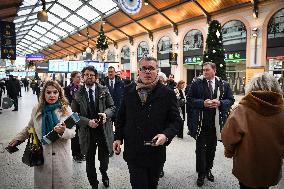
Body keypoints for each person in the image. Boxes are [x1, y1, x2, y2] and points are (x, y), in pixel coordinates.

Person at [113, 57, 182, 189]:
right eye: (144, 68)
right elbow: (121, 117)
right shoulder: (129, 90)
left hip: (155, 150)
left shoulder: (167, 93)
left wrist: (165, 135)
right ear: (139, 71)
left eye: (151, 68)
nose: (147, 72)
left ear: (157, 71)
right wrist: (118, 138)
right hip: (134, 150)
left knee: (151, 185)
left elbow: (176, 121)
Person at [8, 80, 76, 189]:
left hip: (61, 157)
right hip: (43, 156)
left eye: (55, 92)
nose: (52, 95)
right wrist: (18, 139)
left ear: (59, 94)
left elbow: (72, 132)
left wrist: (63, 131)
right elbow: (30, 127)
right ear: (43, 94)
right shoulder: (37, 109)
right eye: (48, 92)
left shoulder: (66, 109)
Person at [221, 73, 284, 189]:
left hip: (247, 167)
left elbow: (228, 137)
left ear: (252, 87)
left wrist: (229, 151)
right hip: (271, 166)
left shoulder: (242, 110)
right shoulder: (281, 111)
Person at [187, 62, 234, 187]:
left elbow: (231, 100)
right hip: (200, 123)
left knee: (211, 149)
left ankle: (208, 170)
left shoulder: (223, 84)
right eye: (203, 70)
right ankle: (201, 173)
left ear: (214, 70)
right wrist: (202, 103)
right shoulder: (197, 83)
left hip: (216, 124)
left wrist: (220, 103)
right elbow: (189, 99)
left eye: (207, 70)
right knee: (200, 150)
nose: (204, 72)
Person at [71, 66, 115, 189]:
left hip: (103, 130)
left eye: (91, 75)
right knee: (89, 160)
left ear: (96, 77)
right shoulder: (77, 94)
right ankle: (94, 184)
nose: (89, 77)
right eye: (86, 75)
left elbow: (112, 107)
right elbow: (74, 115)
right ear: (83, 77)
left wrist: (106, 114)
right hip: (86, 132)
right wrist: (87, 122)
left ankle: (104, 173)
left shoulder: (104, 90)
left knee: (104, 157)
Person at [64, 71, 84, 162]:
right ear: (72, 78)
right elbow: (65, 102)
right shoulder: (67, 89)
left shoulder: (83, 88)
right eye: (77, 77)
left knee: (82, 135)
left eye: (80, 77)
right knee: (74, 135)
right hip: (72, 115)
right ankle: (75, 154)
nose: (79, 79)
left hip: (82, 115)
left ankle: (81, 153)